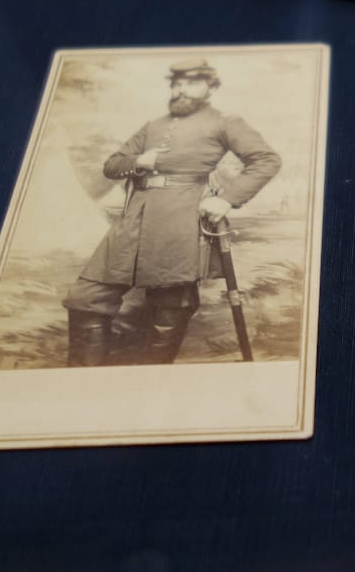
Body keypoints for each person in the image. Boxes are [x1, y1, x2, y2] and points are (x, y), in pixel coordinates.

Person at [63, 59, 282, 366]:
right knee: (86, 298)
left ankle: (150, 384)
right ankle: (80, 383)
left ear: (212, 86)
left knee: (169, 305)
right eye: (177, 83)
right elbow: (113, 165)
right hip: (135, 218)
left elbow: (266, 159)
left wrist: (227, 199)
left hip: (181, 219)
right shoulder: (154, 126)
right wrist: (139, 161)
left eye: (192, 82)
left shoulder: (226, 122)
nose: (182, 89)